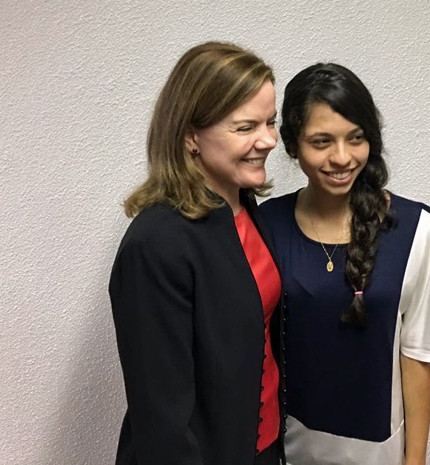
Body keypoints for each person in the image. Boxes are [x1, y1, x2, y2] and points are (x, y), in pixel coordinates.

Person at [259, 63, 430, 465]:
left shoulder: (418, 230)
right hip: (288, 446)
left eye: (356, 139)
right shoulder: (266, 225)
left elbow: (417, 358)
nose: (342, 157)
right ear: (293, 146)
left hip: (379, 449)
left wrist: (414, 461)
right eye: (322, 141)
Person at [109, 41, 286, 465]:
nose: (269, 141)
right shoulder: (156, 244)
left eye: (271, 122)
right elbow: (162, 422)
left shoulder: (245, 209)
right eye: (245, 128)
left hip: (262, 445)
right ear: (191, 136)